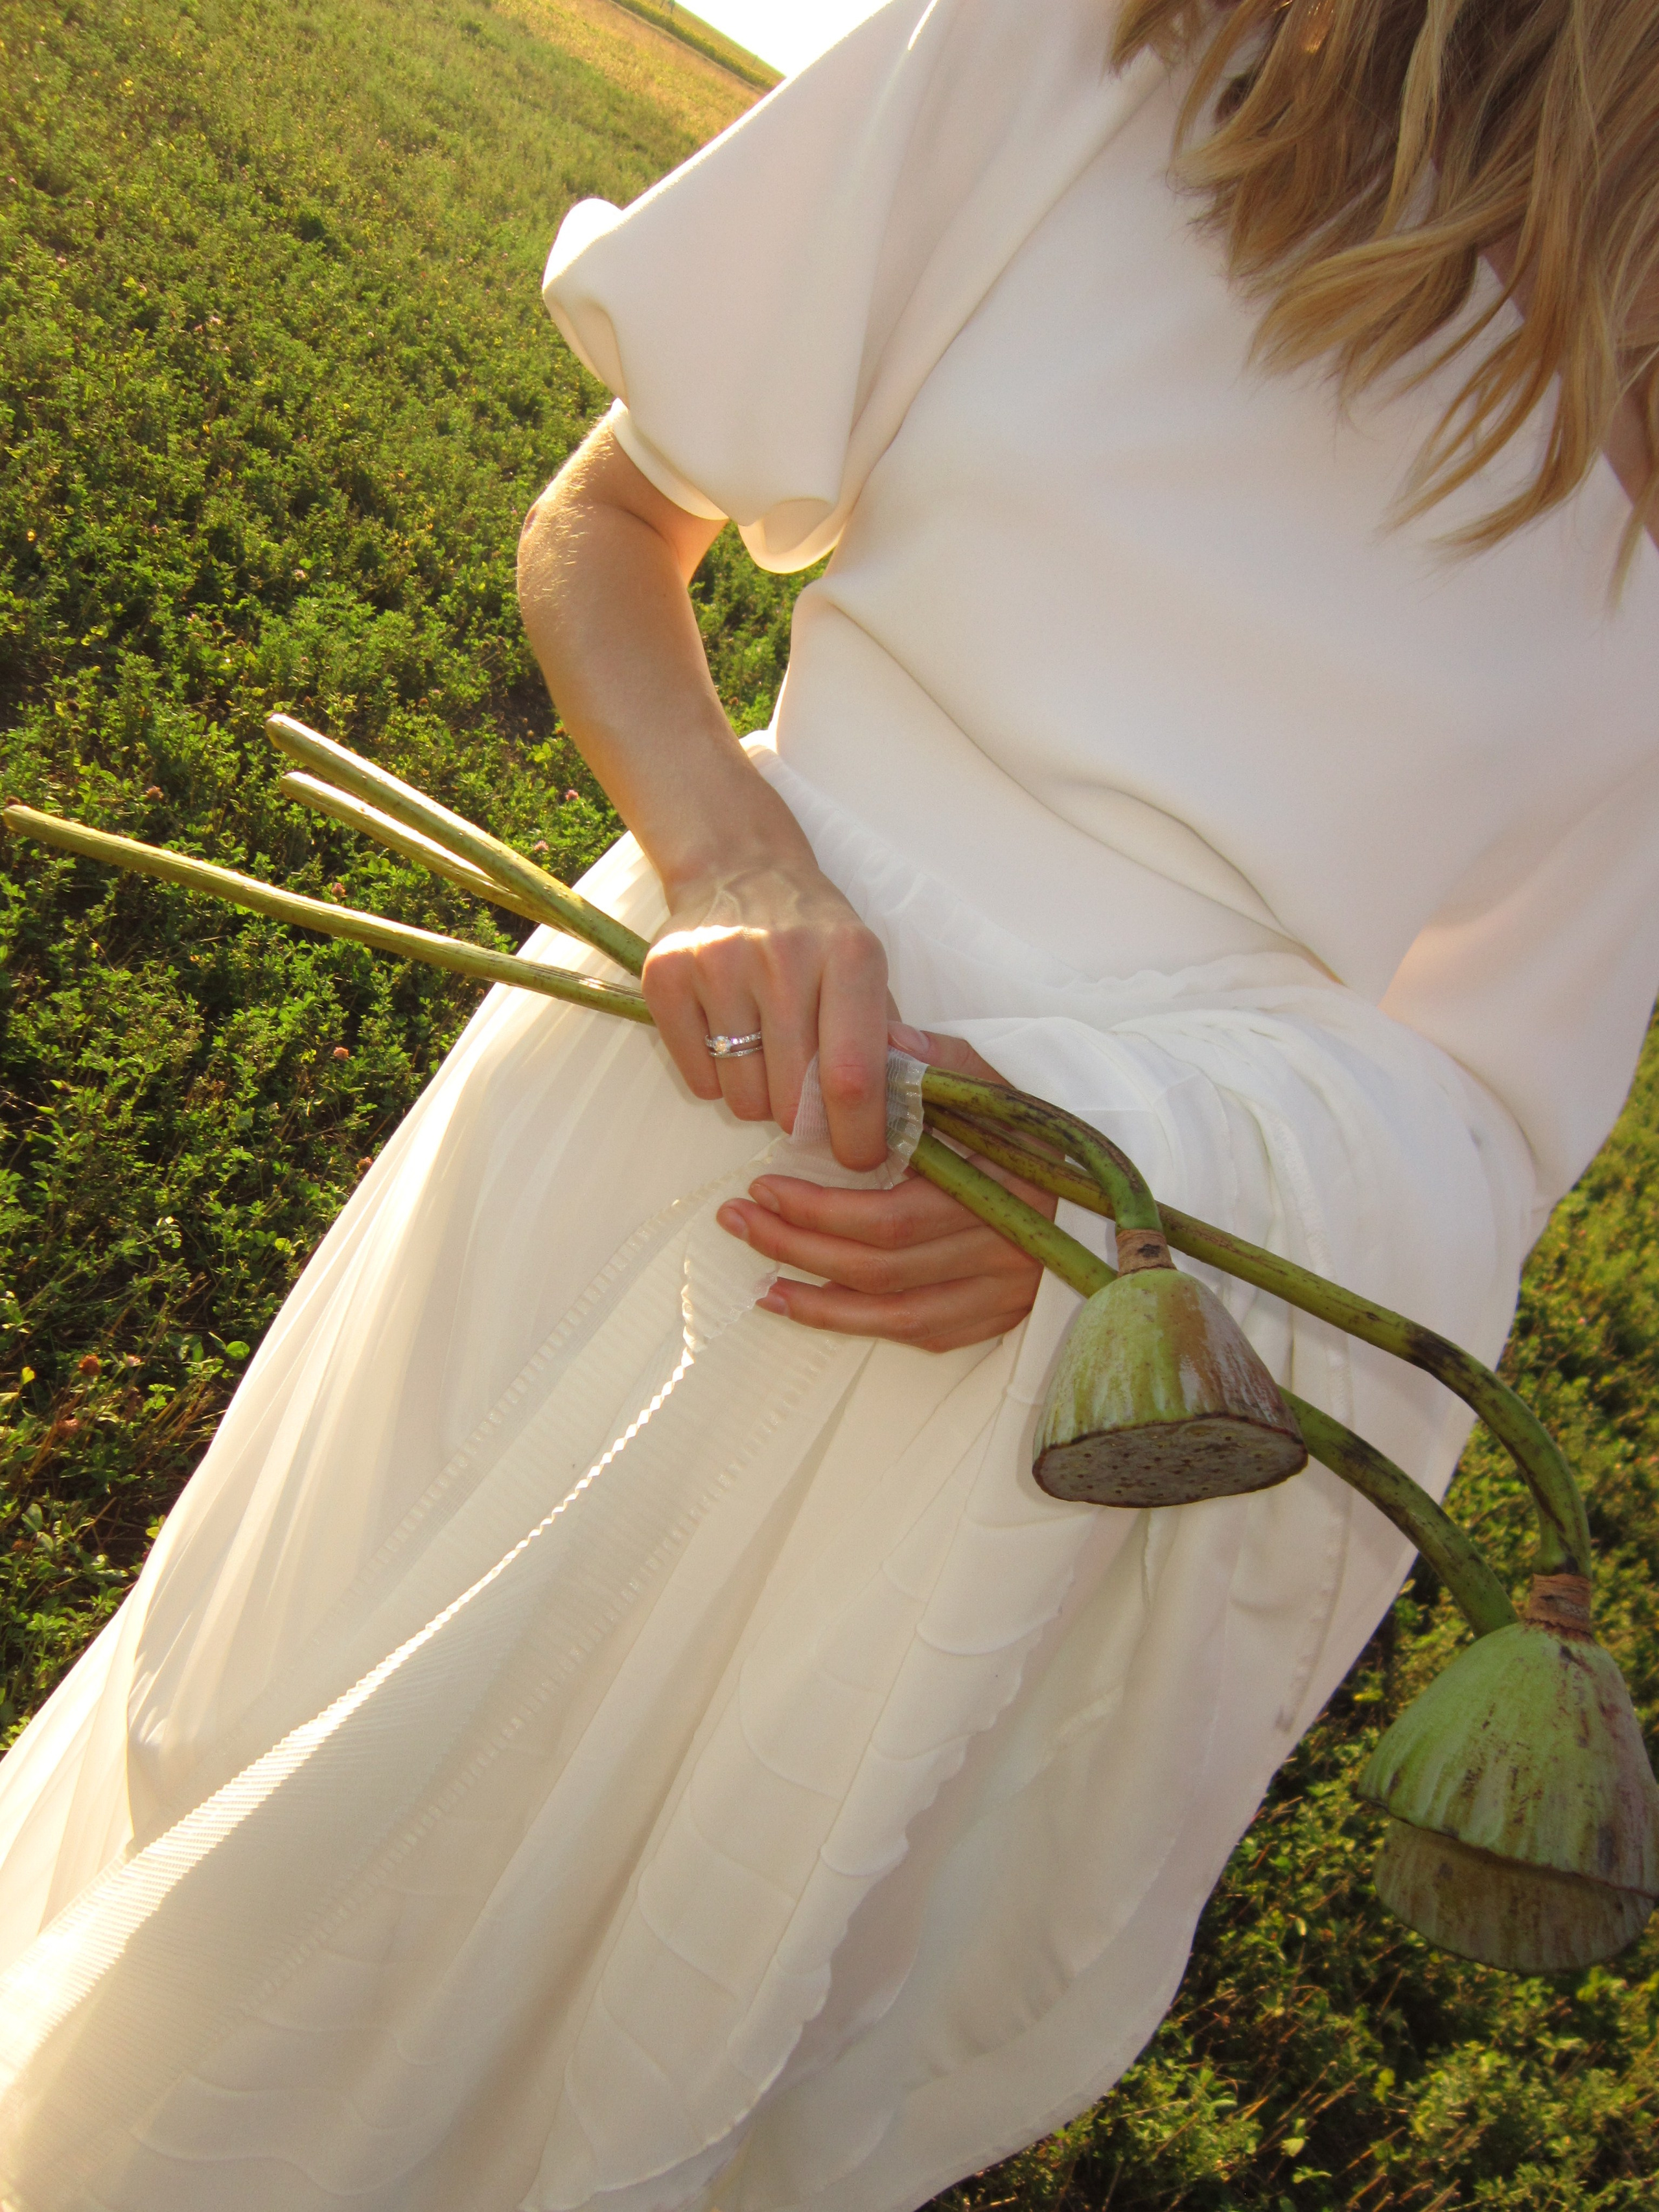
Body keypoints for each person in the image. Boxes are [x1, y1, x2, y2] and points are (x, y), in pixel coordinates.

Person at [1, 2, 1656, 2206]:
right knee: (270, 1826)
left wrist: (1133, 1171)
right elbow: (609, 524)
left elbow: (1483, 1111)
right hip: (661, 1119)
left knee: (612, 2020)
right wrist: (741, 860)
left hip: (1008, 1349)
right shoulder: (1084, 56)